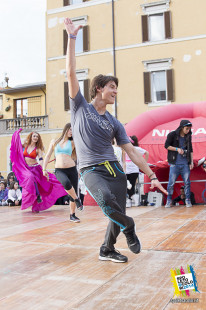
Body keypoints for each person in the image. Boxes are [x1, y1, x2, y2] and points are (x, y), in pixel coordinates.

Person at [63, 17, 167, 263]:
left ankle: (107, 249)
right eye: (112, 86)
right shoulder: (79, 107)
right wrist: (72, 37)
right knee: (107, 203)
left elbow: (132, 152)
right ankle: (129, 227)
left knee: (115, 212)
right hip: (91, 170)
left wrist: (151, 176)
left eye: (116, 88)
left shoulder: (114, 122)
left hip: (115, 170)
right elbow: (70, 72)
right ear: (99, 87)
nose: (115, 91)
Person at [10, 129, 67, 213]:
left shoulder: (38, 149)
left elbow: (40, 160)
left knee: (47, 181)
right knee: (30, 178)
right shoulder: (25, 145)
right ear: (31, 137)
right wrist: (16, 134)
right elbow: (16, 146)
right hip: (26, 168)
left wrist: (44, 169)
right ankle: (37, 195)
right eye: (34, 136)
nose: (35, 137)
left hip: (35, 168)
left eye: (37, 136)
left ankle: (37, 199)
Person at [43, 123, 83, 223]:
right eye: (70, 130)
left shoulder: (73, 142)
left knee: (72, 191)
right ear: (66, 129)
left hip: (72, 169)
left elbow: (81, 153)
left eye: (73, 131)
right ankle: (77, 199)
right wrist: (44, 169)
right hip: (59, 170)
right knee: (66, 183)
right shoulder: (54, 142)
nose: (71, 132)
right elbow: (47, 156)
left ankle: (72, 215)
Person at [164, 120, 193, 208]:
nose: (188, 131)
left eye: (189, 129)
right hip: (174, 163)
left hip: (185, 163)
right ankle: (169, 200)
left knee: (187, 182)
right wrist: (177, 149)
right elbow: (166, 145)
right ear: (182, 127)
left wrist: (191, 162)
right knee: (171, 183)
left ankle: (188, 200)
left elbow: (191, 150)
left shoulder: (188, 136)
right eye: (186, 129)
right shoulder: (172, 134)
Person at [126, 135, 149, 207]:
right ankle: (132, 199)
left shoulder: (136, 148)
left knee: (131, 185)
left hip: (134, 170)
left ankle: (131, 200)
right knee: (127, 185)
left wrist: (144, 163)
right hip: (126, 170)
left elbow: (146, 153)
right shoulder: (125, 148)